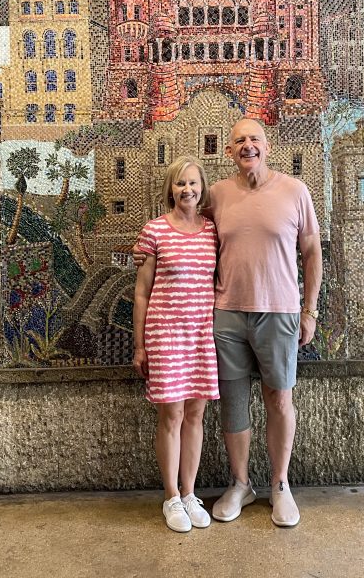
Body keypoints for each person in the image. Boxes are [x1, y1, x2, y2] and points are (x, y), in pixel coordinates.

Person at [136, 118, 322, 528]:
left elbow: (311, 252)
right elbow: (184, 229)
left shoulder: (295, 191)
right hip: (225, 315)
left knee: (280, 399)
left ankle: (280, 484)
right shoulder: (216, 195)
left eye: (254, 139)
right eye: (239, 140)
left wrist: (309, 310)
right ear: (228, 151)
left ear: (267, 146)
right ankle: (240, 483)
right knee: (233, 404)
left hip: (280, 312)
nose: (247, 146)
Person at [133, 156, 220, 533]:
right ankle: (170, 497)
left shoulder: (212, 231)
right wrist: (140, 346)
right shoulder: (154, 231)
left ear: (203, 189)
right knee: (171, 416)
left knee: (196, 416)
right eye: (180, 184)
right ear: (170, 189)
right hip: (165, 333)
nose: (187, 190)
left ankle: (189, 493)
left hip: (201, 334)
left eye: (193, 183)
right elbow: (141, 293)